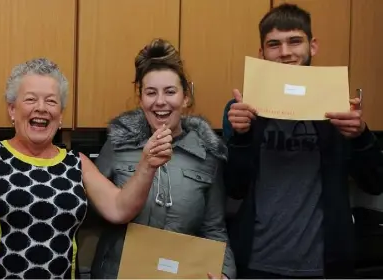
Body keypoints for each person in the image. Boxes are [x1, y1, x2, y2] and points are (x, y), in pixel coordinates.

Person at [0, 58, 173, 279]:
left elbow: (119, 208)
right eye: (31, 99)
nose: (42, 108)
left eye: (51, 101)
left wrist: (147, 166)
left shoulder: (77, 162)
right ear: (12, 110)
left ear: (61, 115)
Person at [225, 4, 383, 278]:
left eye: (294, 41)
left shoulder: (339, 107)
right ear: (262, 53)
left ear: (313, 46)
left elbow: (375, 183)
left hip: (325, 265)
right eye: (274, 44)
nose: (285, 53)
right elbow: (234, 188)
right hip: (257, 262)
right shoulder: (243, 109)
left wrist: (361, 136)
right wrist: (240, 136)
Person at [90, 38, 236, 279]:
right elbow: (93, 212)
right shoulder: (117, 145)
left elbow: (214, 229)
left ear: (185, 97)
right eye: (151, 93)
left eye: (170, 92)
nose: (160, 102)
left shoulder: (207, 155)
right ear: (140, 98)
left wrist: (225, 273)